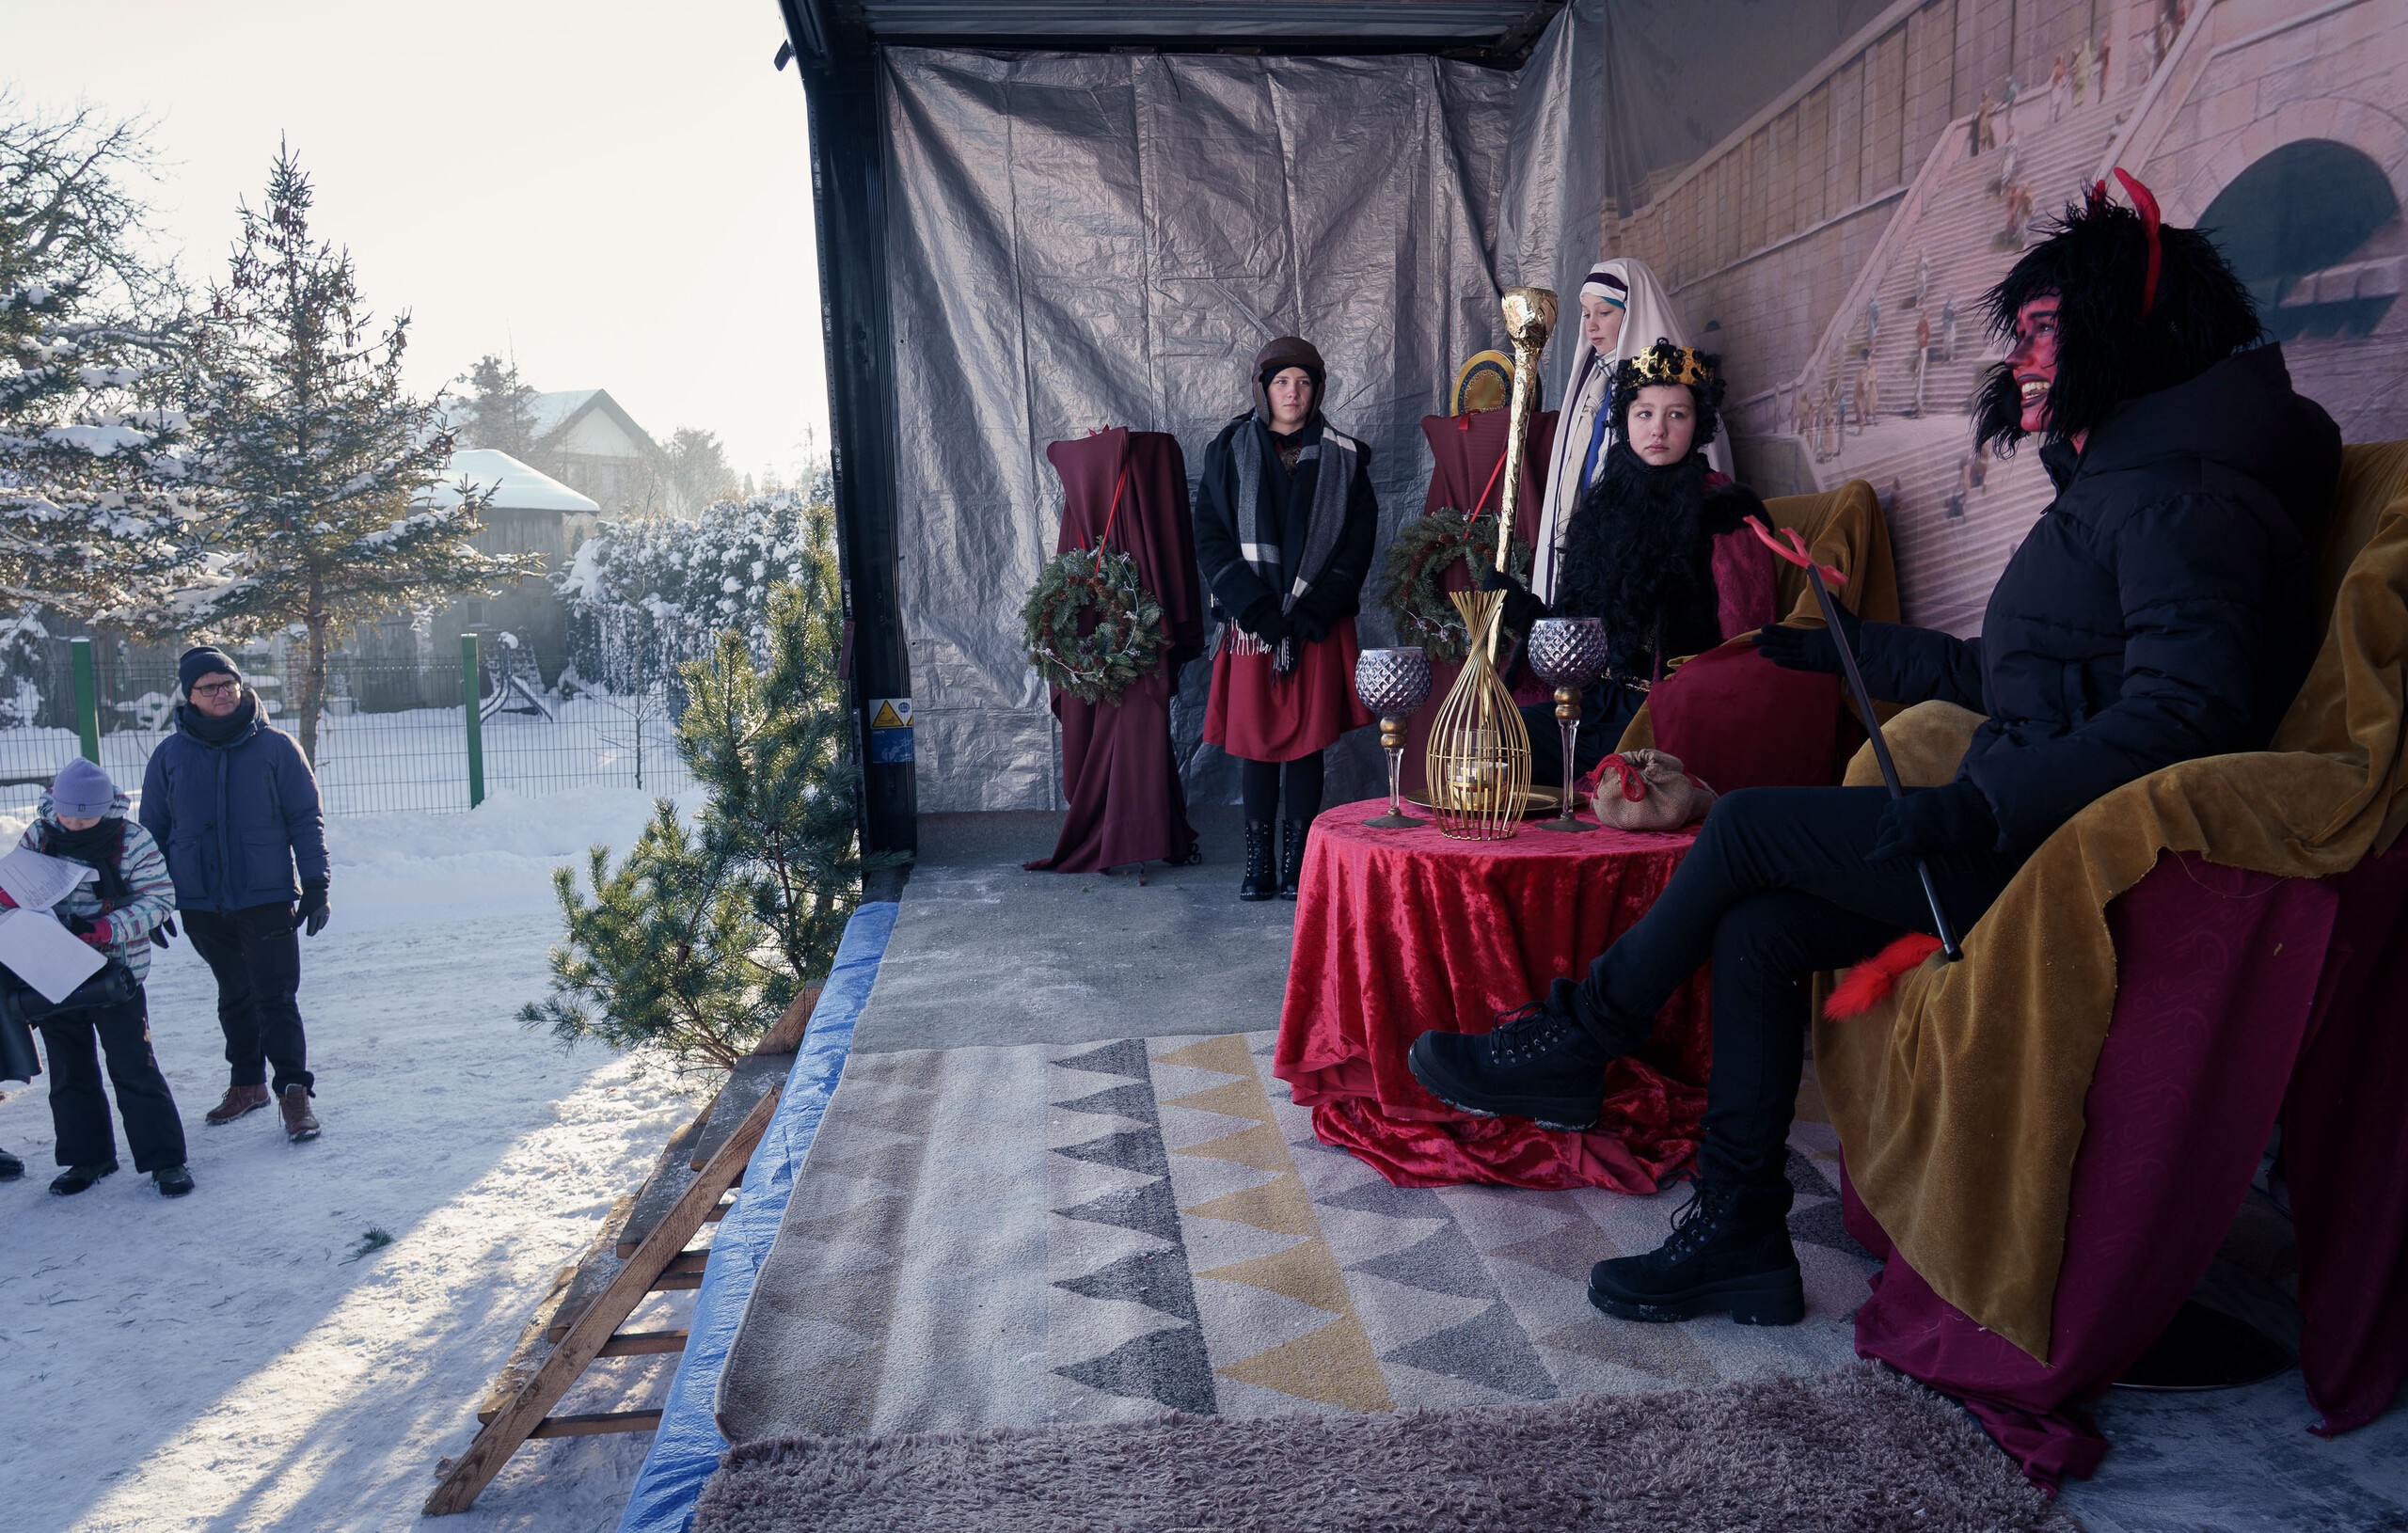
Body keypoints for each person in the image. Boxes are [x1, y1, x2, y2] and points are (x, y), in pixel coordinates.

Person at [1407, 180, 2338, 1331]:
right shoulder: (2128, 487)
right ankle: (1740, 1234)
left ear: (2127, 338)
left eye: (2046, 332)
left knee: (1745, 824)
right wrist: (1844, 649)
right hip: (2020, 824)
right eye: (2020, 333)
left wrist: (1974, 809)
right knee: (1758, 929)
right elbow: (2024, 677)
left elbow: (2182, 720)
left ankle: (1583, 1033)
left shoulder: (2179, 500)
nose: (2020, 359)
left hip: (2063, 865)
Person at [1481, 340, 1768, 782]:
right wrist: (1521, 611)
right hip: (1593, 704)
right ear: (1626, 420)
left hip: (1667, 719)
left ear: (1698, 424)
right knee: (1497, 740)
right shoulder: (1604, 510)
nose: (1659, 430)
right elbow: (1577, 635)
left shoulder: (1726, 511)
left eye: (1677, 414)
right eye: (1645, 413)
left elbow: (1743, 643)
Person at [1196, 338, 1377, 901]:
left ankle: (1298, 866)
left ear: (1317, 389)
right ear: (1262, 388)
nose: (1292, 392)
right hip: (1254, 628)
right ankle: (1259, 865)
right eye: (1281, 382)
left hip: (1314, 624)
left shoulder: (1346, 458)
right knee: (1256, 744)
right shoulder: (1228, 452)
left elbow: (1357, 544)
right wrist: (1255, 610)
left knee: (1306, 745)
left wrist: (1315, 610)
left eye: (1302, 382)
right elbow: (1211, 539)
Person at [140, 646, 330, 1142]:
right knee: (234, 995)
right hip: (200, 900)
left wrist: (316, 884)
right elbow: (153, 832)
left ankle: (293, 1094)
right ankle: (248, 1084)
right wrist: (152, 898)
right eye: (209, 687)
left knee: (276, 997)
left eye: (228, 683)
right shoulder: (169, 756)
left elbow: (305, 819)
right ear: (190, 696)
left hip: (266, 894)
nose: (222, 693)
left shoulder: (277, 747)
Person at [4, 760, 189, 1196]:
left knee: (134, 1067)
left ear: (104, 810)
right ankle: (88, 1158)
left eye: (84, 817)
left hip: (115, 972)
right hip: (52, 970)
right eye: (66, 814)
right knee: (69, 1070)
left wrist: (106, 929)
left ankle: (166, 1161)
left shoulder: (131, 839)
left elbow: (160, 899)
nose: (73, 823)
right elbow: (16, 886)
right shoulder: (40, 835)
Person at [1528, 260, 1731, 610]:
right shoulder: (1592, 384)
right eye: (1586, 314)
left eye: (1604, 312)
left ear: (1634, 312)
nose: (1591, 326)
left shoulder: (1673, 383)